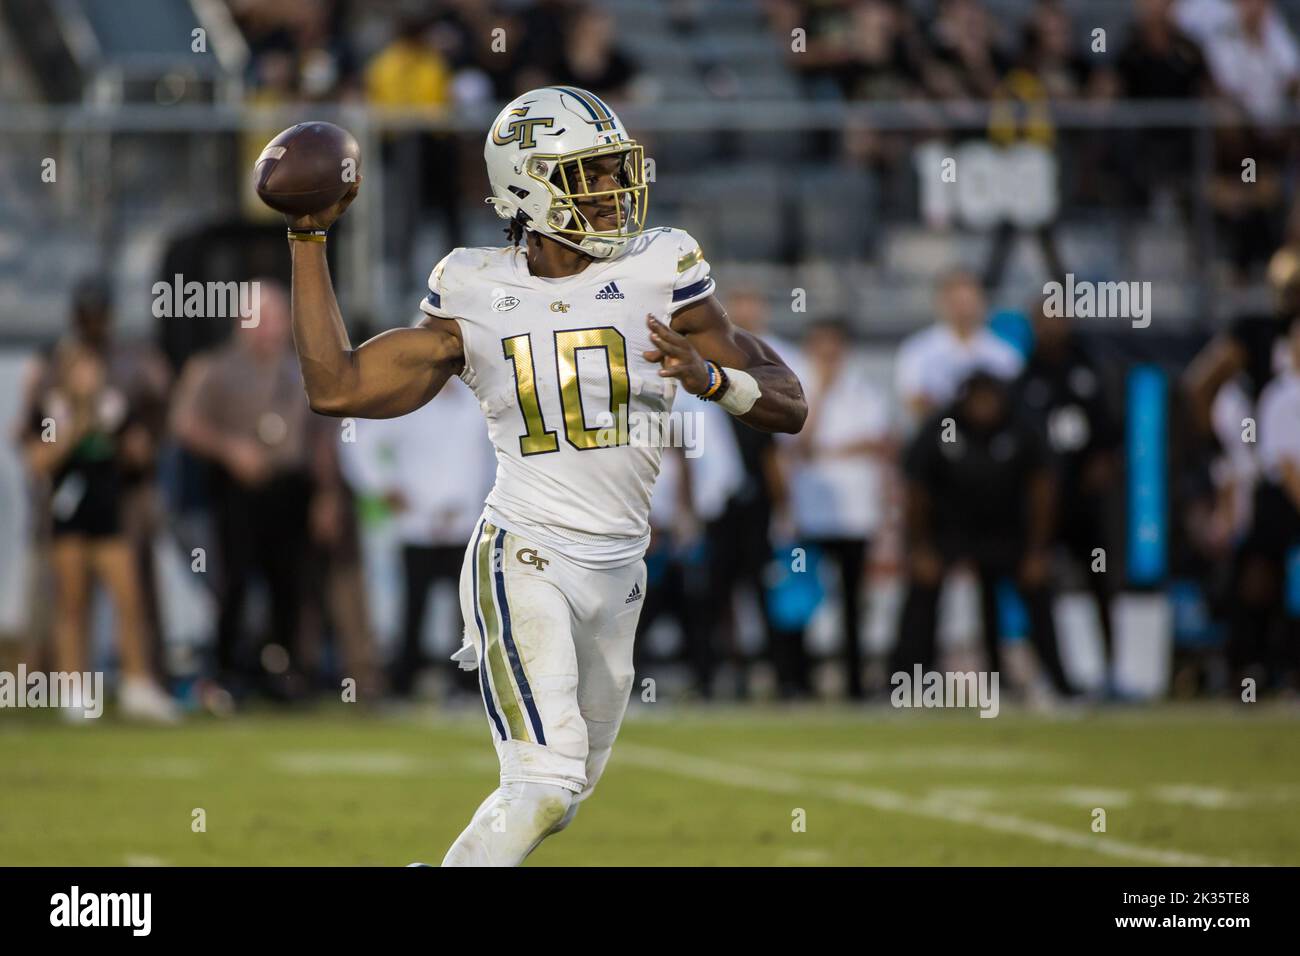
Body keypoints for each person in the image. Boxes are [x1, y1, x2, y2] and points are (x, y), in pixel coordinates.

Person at [281, 86, 807, 866]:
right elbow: (338, 388)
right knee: (544, 780)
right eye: (587, 175)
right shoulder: (474, 288)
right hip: (523, 552)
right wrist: (307, 240)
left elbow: (789, 404)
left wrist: (708, 380)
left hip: (621, 569)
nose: (608, 191)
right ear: (527, 185)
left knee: (562, 796)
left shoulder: (659, 267)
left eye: (609, 171)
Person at [19, 282, 177, 722]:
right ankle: (74, 688)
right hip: (69, 509)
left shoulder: (113, 406)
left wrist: (126, 436)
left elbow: (138, 448)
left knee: (129, 598)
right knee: (72, 601)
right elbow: (40, 458)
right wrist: (77, 423)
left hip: (109, 506)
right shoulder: (55, 410)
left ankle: (137, 682)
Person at [171, 283, 331, 702]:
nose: (271, 330)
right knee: (235, 581)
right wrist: (230, 449)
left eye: (278, 319)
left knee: (290, 585)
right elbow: (185, 423)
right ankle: (229, 672)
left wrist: (327, 494)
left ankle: (285, 673)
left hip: (291, 489)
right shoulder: (215, 367)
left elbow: (321, 438)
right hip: (238, 491)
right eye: (264, 319)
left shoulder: (302, 370)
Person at [890, 370, 1076, 698]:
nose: (984, 407)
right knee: (922, 590)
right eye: (977, 399)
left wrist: (1037, 551)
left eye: (990, 399)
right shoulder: (940, 428)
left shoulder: (1021, 428)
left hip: (1008, 531)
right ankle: (908, 684)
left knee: (1035, 591)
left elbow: (1044, 490)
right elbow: (916, 490)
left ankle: (1059, 683)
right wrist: (919, 547)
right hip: (949, 529)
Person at [1015, 297, 1122, 689]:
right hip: (1044, 503)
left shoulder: (1090, 368)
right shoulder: (1026, 376)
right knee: (1038, 582)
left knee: (1099, 579)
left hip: (1086, 501)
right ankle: (1052, 673)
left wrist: (1104, 463)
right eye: (1044, 318)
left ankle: (1113, 667)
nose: (1052, 325)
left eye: (1058, 317)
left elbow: (1111, 430)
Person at [787, 319, 892, 699]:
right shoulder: (797, 389)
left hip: (854, 516)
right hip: (809, 515)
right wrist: (823, 397)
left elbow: (878, 445)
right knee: (799, 603)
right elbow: (800, 444)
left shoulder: (865, 391)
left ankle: (855, 686)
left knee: (853, 603)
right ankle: (798, 682)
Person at [895, 269, 1022, 425]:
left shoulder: (1003, 352)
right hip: (939, 435)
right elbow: (914, 401)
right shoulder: (917, 350)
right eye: (956, 302)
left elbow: (1012, 401)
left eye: (968, 302)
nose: (963, 310)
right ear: (941, 303)